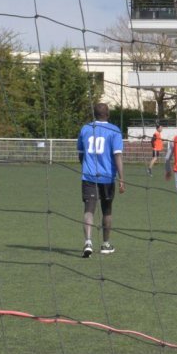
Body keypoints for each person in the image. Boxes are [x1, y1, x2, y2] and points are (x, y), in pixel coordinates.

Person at [77, 102, 125, 257]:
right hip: (107, 178)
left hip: (89, 176)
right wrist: (121, 178)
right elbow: (117, 155)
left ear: (94, 114)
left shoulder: (85, 129)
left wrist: (86, 166)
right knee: (107, 211)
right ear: (108, 114)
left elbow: (80, 153)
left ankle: (88, 242)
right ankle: (105, 244)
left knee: (89, 210)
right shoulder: (114, 130)